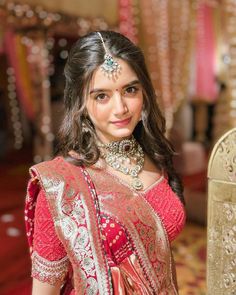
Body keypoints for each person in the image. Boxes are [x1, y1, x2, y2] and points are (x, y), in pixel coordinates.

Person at [25, 30, 186, 295]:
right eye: (102, 96)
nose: (120, 108)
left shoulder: (155, 155)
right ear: (81, 102)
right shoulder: (62, 189)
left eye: (130, 90)